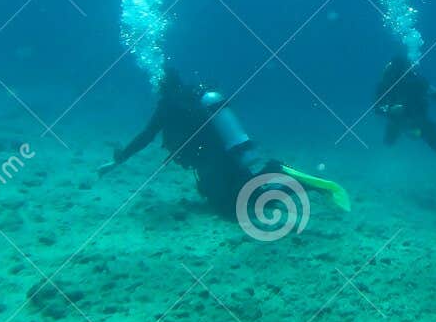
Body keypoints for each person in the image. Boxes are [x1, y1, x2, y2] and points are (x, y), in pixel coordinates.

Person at [99, 68, 349, 217]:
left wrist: (118, 160)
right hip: (229, 155)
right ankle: (295, 180)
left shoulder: (167, 105)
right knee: (248, 197)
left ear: (161, 85)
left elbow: (146, 136)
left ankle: (279, 171)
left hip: (214, 163)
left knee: (236, 208)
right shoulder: (196, 96)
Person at [373, 54, 436, 156]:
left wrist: (430, 93)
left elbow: (434, 93)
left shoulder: (415, 81)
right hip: (398, 120)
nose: (400, 76)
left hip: (417, 118)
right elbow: (377, 108)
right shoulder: (385, 85)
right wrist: (390, 109)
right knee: (389, 142)